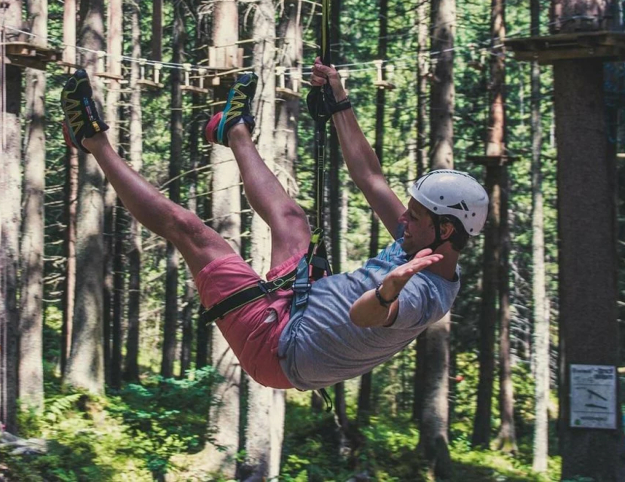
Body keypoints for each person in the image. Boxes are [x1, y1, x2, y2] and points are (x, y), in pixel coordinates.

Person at [60, 61, 488, 391]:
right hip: (302, 305)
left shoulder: (423, 294)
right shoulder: (419, 242)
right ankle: (235, 130)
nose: (402, 219)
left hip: (278, 348)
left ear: (445, 230)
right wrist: (338, 98)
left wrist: (389, 288)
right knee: (290, 219)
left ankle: (91, 140)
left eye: (414, 215)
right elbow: (370, 177)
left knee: (192, 232)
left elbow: (365, 315)